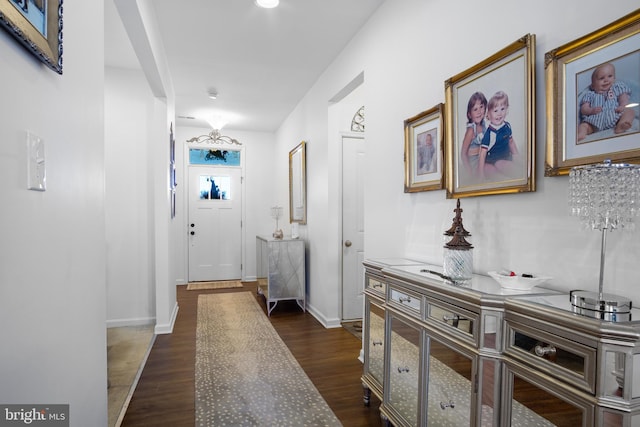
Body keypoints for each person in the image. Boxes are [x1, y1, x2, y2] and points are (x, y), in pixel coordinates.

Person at [578, 62, 634, 141]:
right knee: (584, 125)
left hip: (614, 116)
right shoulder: (590, 94)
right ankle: (581, 134)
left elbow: (623, 97)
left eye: (610, 76)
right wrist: (591, 110)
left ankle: (621, 125)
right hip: (594, 121)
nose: (606, 80)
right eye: (601, 78)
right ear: (593, 85)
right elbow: (583, 109)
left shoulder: (617, 88)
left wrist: (622, 105)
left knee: (629, 111)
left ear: (614, 79)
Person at [478, 91, 518, 179]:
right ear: (488, 114)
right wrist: (480, 173)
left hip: (505, 158)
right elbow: (482, 154)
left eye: (502, 109)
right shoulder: (489, 133)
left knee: (508, 166)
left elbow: (511, 143)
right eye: (495, 110)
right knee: (492, 171)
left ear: (507, 109)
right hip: (490, 160)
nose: (499, 113)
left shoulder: (507, 126)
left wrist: (516, 156)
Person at [460, 92, 487, 174]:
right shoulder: (471, 130)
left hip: (483, 160)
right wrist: (470, 172)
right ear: (470, 115)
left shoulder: (483, 125)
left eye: (481, 107)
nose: (479, 112)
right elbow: (463, 154)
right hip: (475, 165)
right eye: (475, 109)